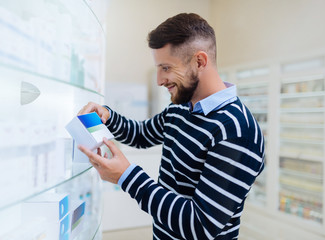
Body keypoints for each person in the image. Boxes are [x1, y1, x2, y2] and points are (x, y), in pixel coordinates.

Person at [78, 13, 265, 240]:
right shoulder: (181, 107)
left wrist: (126, 176)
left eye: (166, 68)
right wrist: (107, 115)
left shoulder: (237, 131)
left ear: (200, 61)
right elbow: (141, 135)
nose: (159, 79)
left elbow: (200, 226)